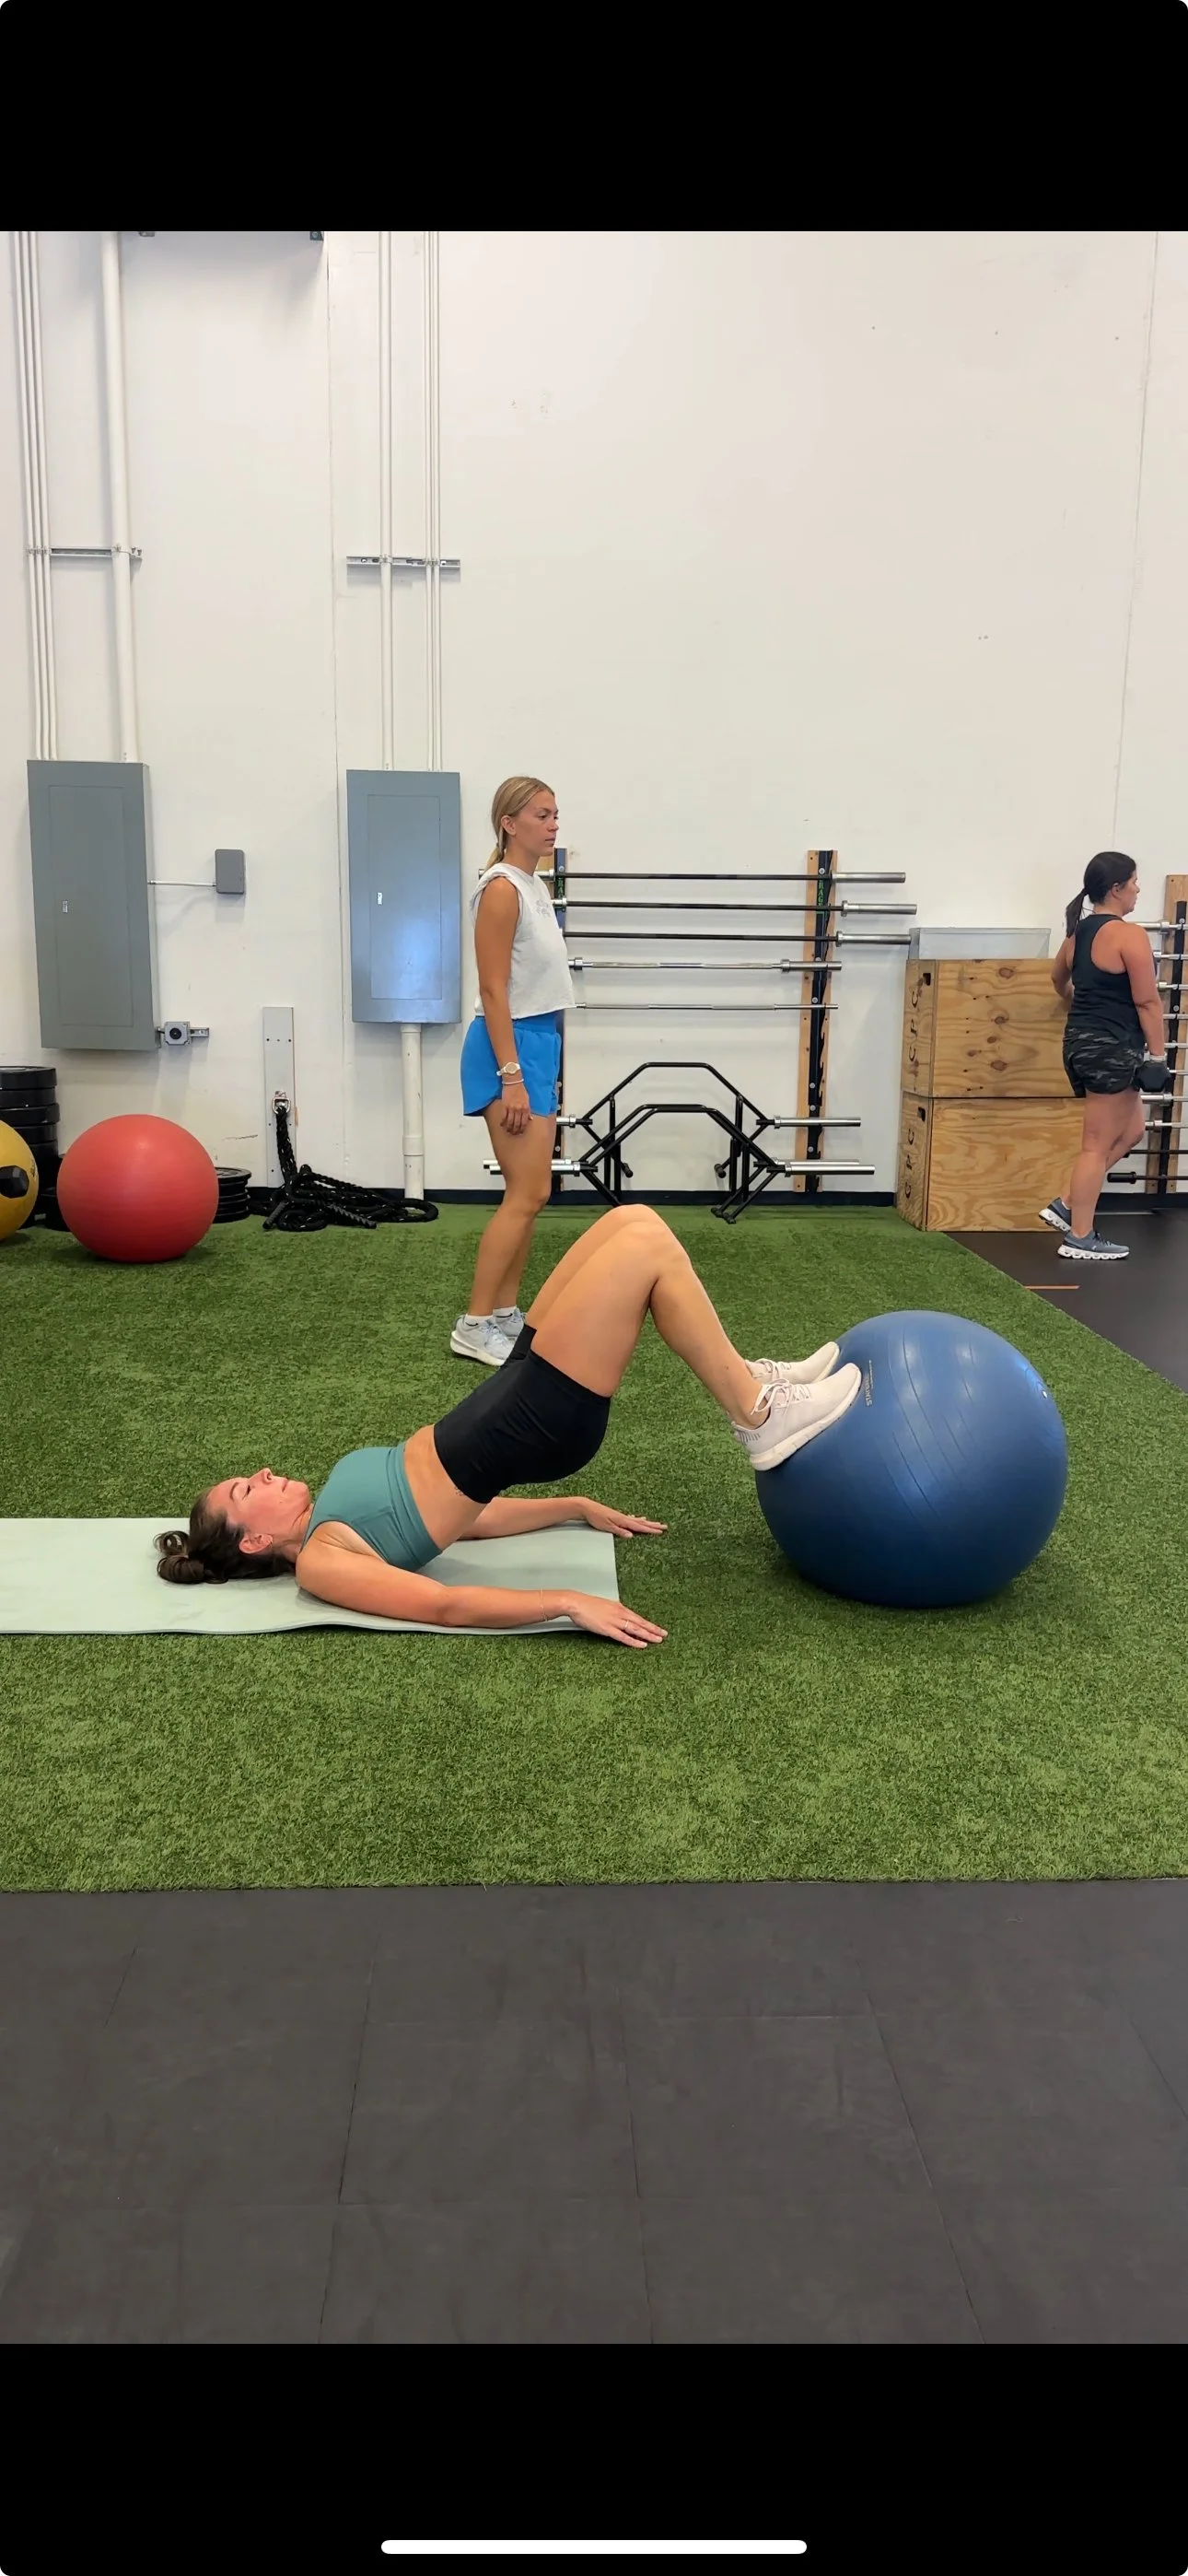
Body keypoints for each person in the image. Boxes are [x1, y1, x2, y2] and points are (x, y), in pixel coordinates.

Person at [156, 1205, 861, 1648]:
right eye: (250, 1488)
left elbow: (463, 1521)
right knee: (646, 1256)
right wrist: (563, 1603)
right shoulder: (321, 1563)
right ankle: (758, 1415)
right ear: (252, 1539)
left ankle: (748, 1377)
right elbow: (445, 1604)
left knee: (631, 1223)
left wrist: (573, 1509)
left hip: (511, 1393)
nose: (267, 1473)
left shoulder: (333, 1522)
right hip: (534, 1419)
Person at [451, 777, 574, 1368]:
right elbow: (492, 991)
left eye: (555, 814)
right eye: (541, 814)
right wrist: (513, 1075)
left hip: (536, 1043)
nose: (553, 824)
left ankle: (503, 1313)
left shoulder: (534, 886)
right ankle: (473, 1324)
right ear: (509, 823)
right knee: (527, 1193)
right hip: (509, 1047)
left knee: (531, 1193)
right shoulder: (501, 889)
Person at [1041, 852, 1168, 1262]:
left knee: (1132, 1130)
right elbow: (1148, 1001)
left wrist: (1076, 999)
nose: (1137, 890)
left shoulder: (1076, 936)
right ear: (1116, 888)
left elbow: (1057, 979)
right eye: (1134, 882)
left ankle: (1067, 1202)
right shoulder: (1128, 936)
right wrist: (1157, 1057)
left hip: (1081, 1045)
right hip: (1110, 1050)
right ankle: (1079, 1235)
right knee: (1095, 1146)